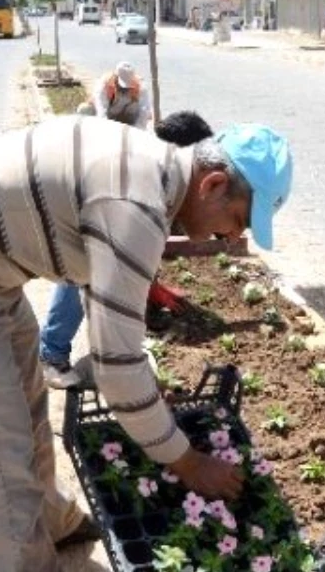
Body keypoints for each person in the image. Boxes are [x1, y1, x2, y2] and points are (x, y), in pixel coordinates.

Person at [0, 116, 292, 572]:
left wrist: (138, 384)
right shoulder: (138, 206)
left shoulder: (151, 172)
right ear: (212, 184)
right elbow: (115, 362)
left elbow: (108, 321)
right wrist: (188, 461)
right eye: (238, 218)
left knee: (28, 410)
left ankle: (52, 522)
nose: (235, 236)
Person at [40, 111, 216, 389]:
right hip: (59, 208)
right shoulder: (138, 174)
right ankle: (51, 356)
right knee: (79, 273)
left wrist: (152, 283)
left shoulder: (156, 165)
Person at [90, 61, 153, 129]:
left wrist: (137, 129)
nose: (124, 88)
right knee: (84, 109)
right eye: (121, 85)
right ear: (115, 77)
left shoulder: (141, 87)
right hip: (109, 116)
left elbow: (144, 111)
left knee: (149, 120)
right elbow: (101, 111)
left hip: (128, 118)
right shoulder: (103, 84)